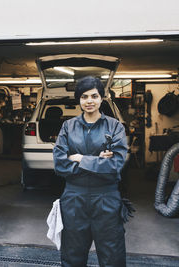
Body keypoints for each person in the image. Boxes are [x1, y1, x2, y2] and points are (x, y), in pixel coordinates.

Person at [53, 76, 128, 267]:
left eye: (94, 96)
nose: (89, 101)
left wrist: (80, 158)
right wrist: (98, 162)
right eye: (84, 96)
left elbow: (115, 165)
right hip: (74, 198)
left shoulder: (115, 127)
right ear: (79, 99)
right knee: (72, 255)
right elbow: (60, 164)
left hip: (106, 198)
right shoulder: (68, 127)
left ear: (101, 98)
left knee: (113, 256)